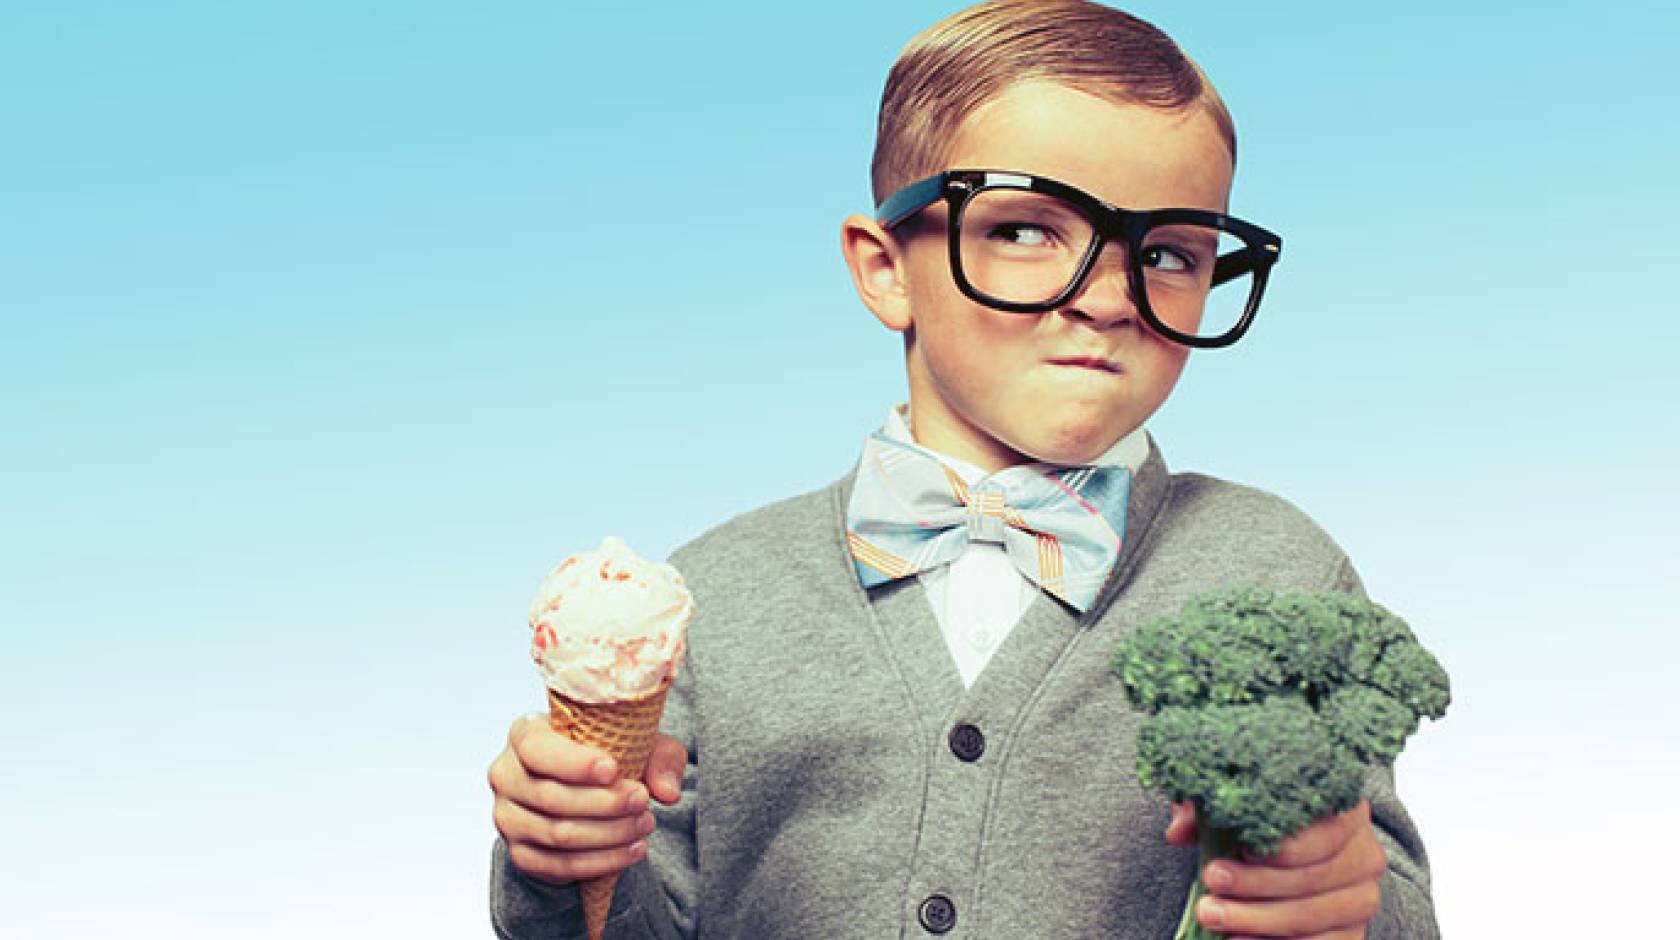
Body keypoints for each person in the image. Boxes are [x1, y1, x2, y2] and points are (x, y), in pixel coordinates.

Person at [487, 2, 1440, 937]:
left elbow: (1391, 901)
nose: (1111, 299)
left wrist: (1347, 906)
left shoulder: (1275, 572)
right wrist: (559, 854)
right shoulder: (710, 598)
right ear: (883, 267)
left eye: (1168, 251)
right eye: (1024, 231)